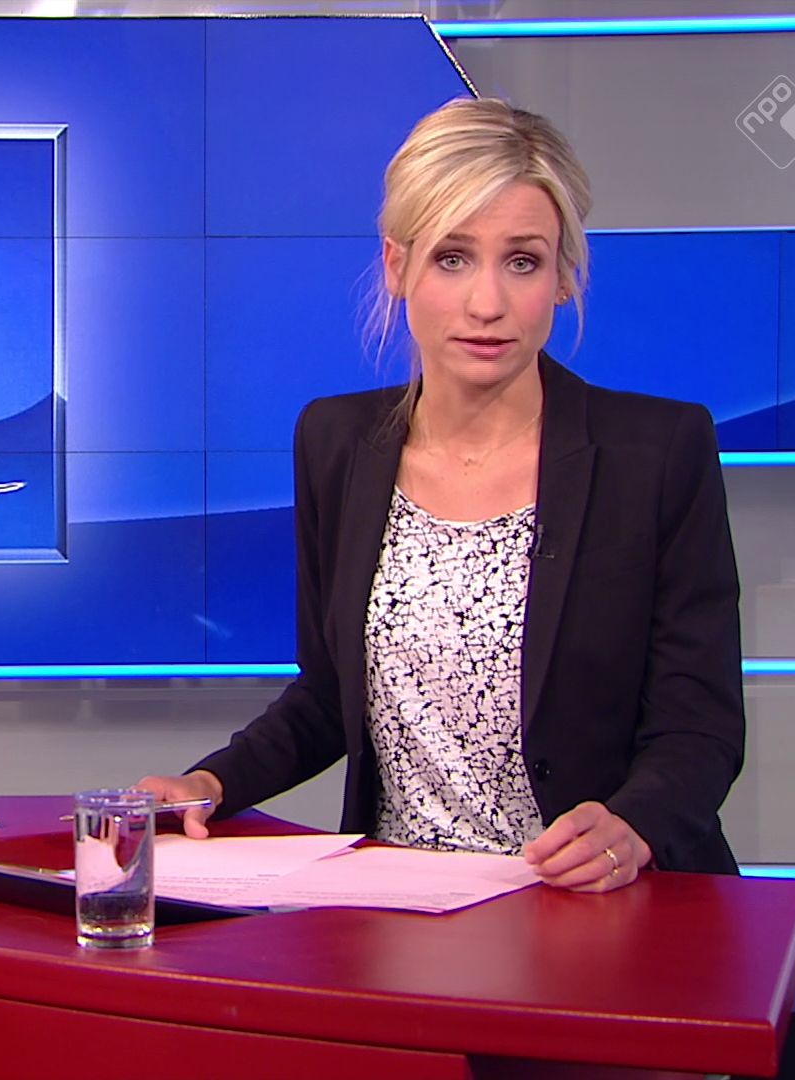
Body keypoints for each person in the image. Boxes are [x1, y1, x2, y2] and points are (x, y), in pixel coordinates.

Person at [139, 98, 745, 891]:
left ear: (563, 277)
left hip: (594, 904)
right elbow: (329, 696)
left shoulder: (657, 453)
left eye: (522, 262)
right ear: (398, 267)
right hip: (400, 902)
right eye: (453, 258)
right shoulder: (336, 442)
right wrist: (212, 783)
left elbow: (699, 726)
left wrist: (633, 827)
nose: (486, 303)